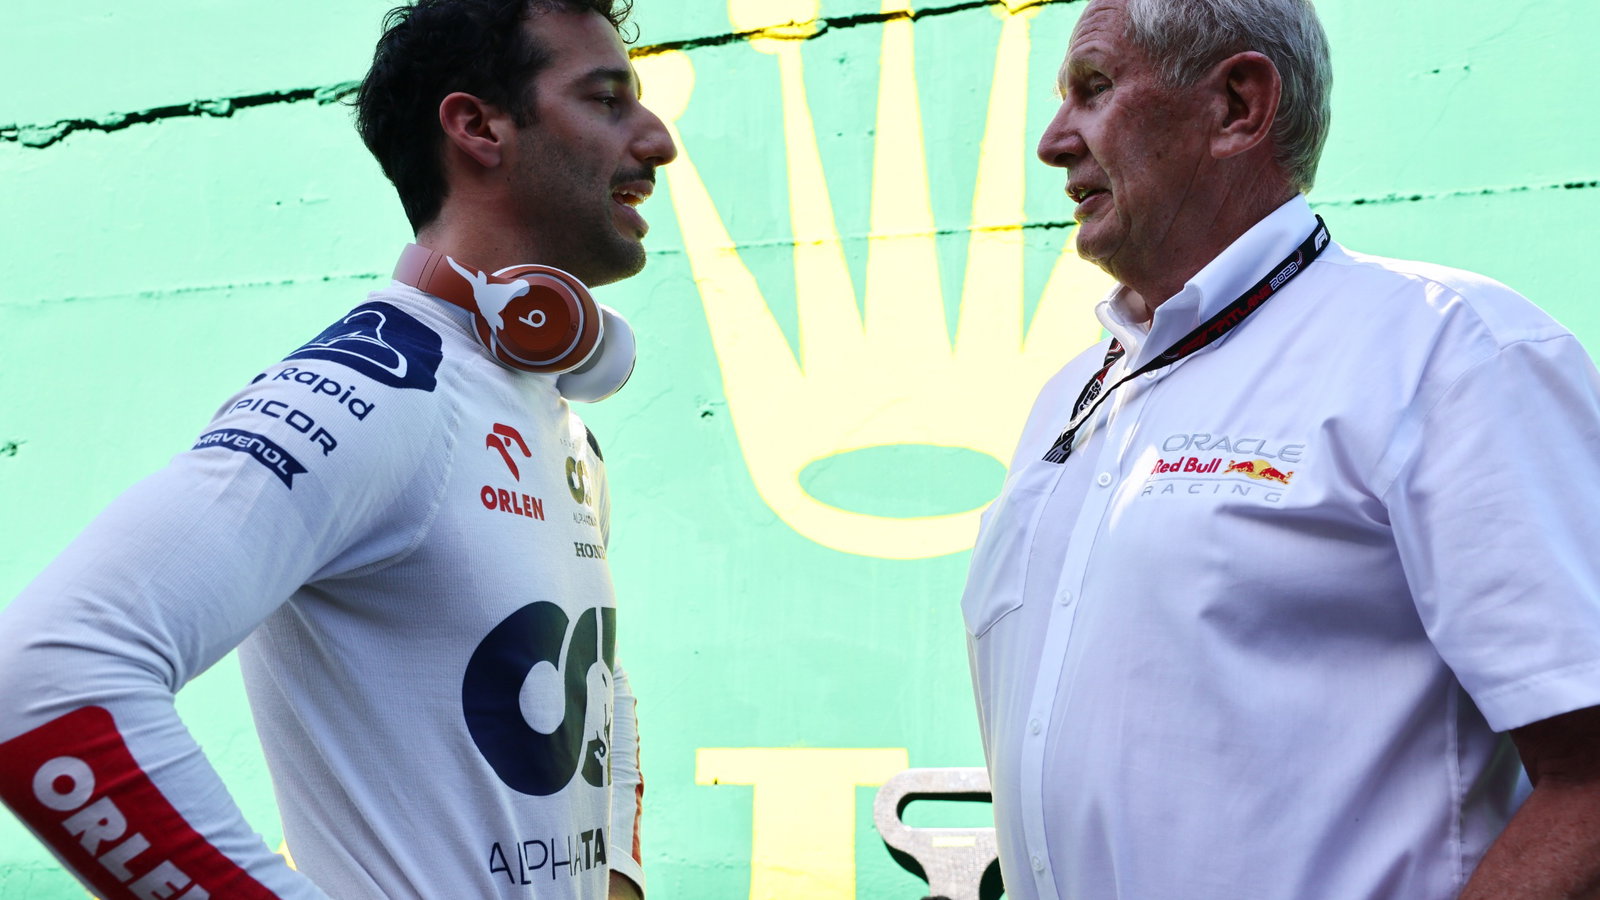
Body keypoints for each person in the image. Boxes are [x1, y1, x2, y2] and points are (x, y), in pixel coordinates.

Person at [0, 0, 676, 897]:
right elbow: (46, 677)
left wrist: (617, 878)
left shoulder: (558, 417)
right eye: (607, 101)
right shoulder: (378, 393)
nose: (659, 140)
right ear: (478, 127)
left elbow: (598, 684)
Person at [962, 1, 1600, 898]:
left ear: (1237, 106)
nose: (1053, 141)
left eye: (1094, 89)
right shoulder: (1070, 395)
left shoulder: (1447, 349)